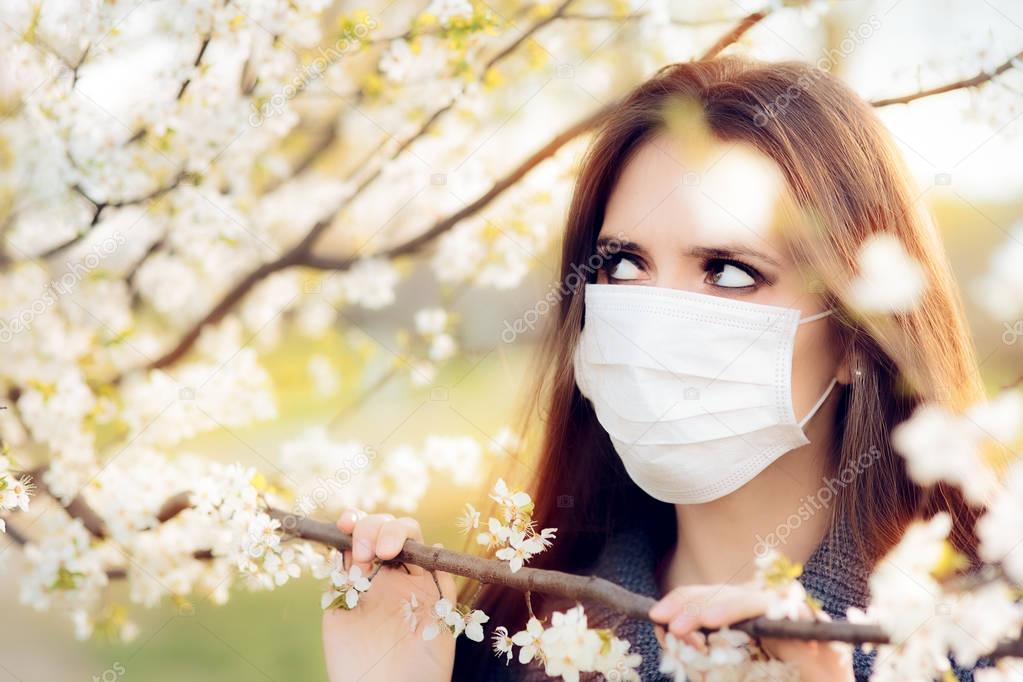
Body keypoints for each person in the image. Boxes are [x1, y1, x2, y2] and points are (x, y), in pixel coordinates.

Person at [321, 57, 983, 681]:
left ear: (853, 337)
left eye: (727, 272)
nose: (650, 320)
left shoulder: (977, 638)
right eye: (623, 264)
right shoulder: (510, 637)